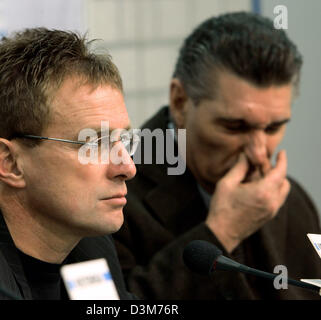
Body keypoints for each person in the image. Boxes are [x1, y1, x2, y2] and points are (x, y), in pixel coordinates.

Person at [113, 12, 321, 299]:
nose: (259, 152)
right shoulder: (113, 192)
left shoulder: (293, 202)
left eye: (274, 127)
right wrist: (222, 231)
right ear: (180, 101)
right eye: (234, 127)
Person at [0, 28, 137, 300]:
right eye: (95, 144)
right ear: (9, 163)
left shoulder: (88, 242)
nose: (127, 168)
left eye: (124, 141)